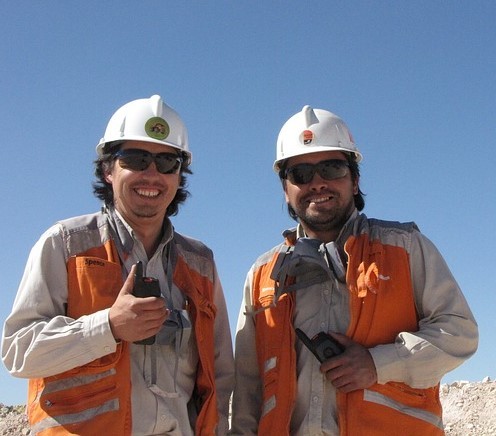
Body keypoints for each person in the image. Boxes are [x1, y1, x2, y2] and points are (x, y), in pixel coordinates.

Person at [230, 105, 478, 435]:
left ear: (355, 179)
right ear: (286, 191)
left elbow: (460, 333)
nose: (317, 183)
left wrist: (381, 363)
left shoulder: (406, 248)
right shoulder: (262, 275)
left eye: (331, 168)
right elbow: (247, 387)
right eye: (301, 174)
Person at [2, 95, 234, 435]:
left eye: (167, 162)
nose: (152, 174)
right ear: (108, 170)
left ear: (179, 175)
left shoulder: (200, 263)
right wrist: (107, 327)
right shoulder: (65, 243)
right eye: (136, 159)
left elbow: (221, 372)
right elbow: (18, 350)